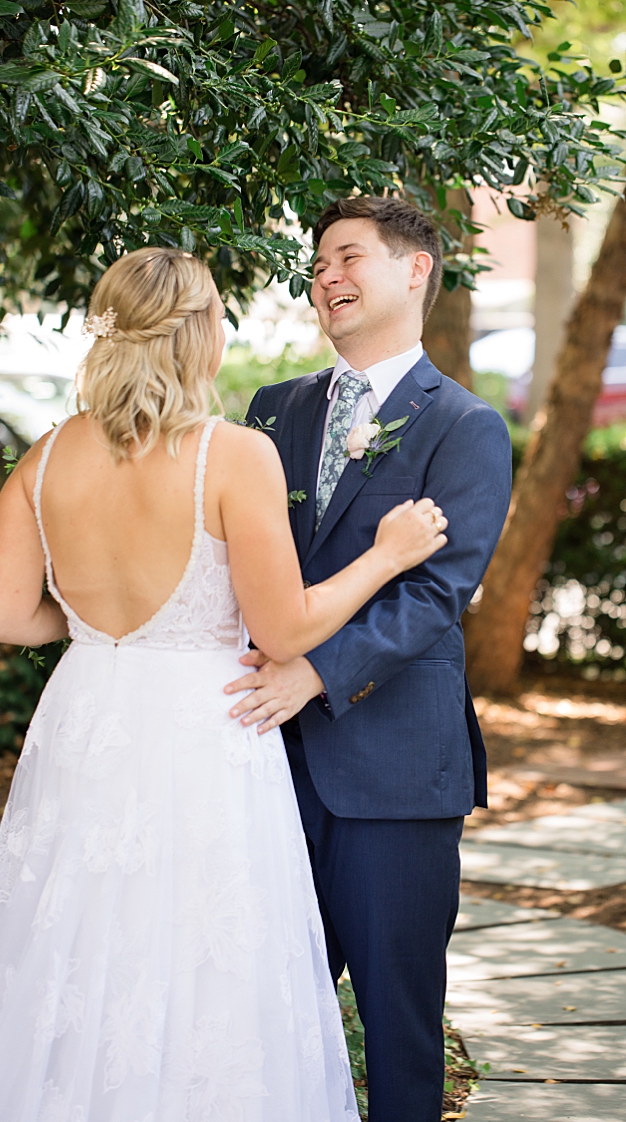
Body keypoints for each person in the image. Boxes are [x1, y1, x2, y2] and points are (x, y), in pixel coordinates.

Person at [0, 246, 451, 1120]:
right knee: (204, 955)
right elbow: (281, 632)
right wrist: (384, 559)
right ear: (201, 333)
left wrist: (96, 629)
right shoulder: (232, 455)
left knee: (81, 939)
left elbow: (4, 619)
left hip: (90, 714)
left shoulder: (44, 458)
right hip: (205, 728)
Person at [231, 196, 513, 1122]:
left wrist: (312, 671)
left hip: (397, 773)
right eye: (318, 267)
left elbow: (438, 594)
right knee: (258, 1012)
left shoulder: (464, 426)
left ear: (415, 269)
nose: (328, 279)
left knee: (399, 1031)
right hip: (263, 766)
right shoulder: (272, 414)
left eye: (348, 257)